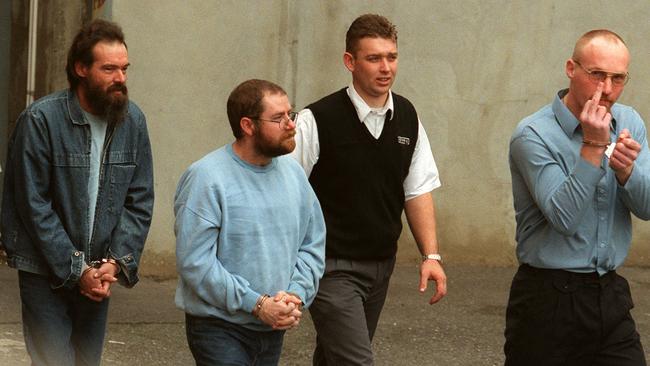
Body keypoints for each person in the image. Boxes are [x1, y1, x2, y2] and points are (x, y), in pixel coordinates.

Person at [290, 14, 447, 365]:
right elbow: (285, 192)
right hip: (330, 267)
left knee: (334, 357)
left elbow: (417, 190)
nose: (385, 67)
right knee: (355, 360)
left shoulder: (407, 116)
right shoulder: (316, 120)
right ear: (350, 62)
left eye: (391, 57)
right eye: (374, 58)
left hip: (381, 265)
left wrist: (431, 257)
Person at [0, 19, 154, 365]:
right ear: (80, 68)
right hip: (44, 269)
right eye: (110, 68)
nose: (121, 79)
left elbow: (139, 201)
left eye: (125, 69)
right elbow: (32, 204)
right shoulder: (40, 121)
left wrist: (114, 263)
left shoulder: (133, 122)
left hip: (100, 269)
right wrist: (77, 270)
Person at [505, 29, 650, 366]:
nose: (608, 90)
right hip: (547, 300)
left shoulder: (629, 121)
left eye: (618, 78)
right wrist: (594, 146)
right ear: (571, 68)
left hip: (608, 293)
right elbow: (564, 218)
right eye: (597, 74)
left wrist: (627, 172)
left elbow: (646, 207)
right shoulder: (533, 134)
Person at [174, 79, 326, 366]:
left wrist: (295, 294)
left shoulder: (294, 175)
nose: (291, 124)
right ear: (248, 125)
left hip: (272, 327)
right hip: (218, 328)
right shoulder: (206, 178)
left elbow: (312, 244)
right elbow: (195, 262)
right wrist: (257, 304)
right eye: (278, 118)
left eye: (290, 114)